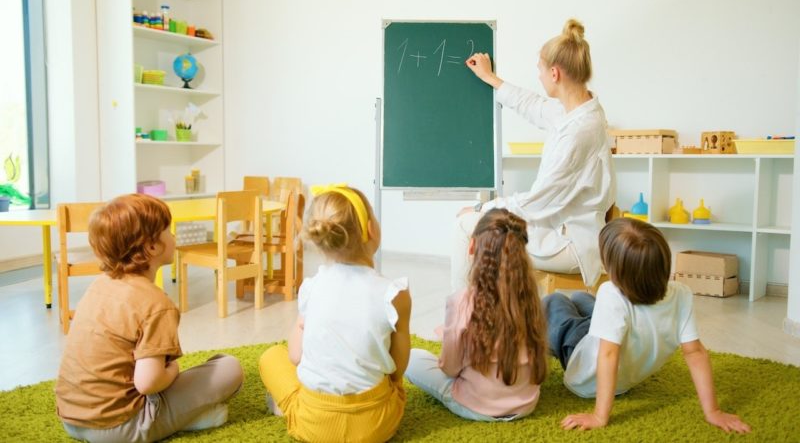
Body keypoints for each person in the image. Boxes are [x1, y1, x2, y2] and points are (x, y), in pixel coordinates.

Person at [55, 194, 244, 443]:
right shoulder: (156, 304)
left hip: (70, 419)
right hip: (119, 427)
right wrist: (173, 368)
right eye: (168, 230)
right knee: (229, 367)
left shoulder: (98, 285)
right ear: (152, 247)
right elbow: (148, 383)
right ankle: (182, 421)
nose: (173, 235)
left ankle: (176, 419)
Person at [454, 18, 615, 292]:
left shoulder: (578, 132)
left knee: (465, 224)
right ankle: (483, 316)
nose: (538, 76)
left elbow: (535, 203)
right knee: (482, 223)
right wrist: (490, 78)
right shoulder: (578, 109)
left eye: (540, 69)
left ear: (554, 74)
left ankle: (460, 321)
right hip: (562, 226)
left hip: (569, 242)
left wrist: (483, 208)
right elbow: (533, 105)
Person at [546, 218, 750, 433]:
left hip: (584, 375)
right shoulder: (681, 293)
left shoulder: (610, 292)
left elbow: (607, 355)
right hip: (625, 377)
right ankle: (583, 311)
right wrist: (713, 411)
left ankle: (558, 336)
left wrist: (599, 415)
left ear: (615, 272)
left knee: (555, 302)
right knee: (581, 298)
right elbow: (695, 353)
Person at [259, 184, 412, 442]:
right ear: (371, 229)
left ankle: (283, 406)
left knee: (272, 356)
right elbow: (397, 370)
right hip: (377, 425)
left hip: (315, 425)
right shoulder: (395, 294)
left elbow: (295, 356)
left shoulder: (311, 288)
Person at [406, 208, 548, 421]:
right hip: (526, 404)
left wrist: (450, 336)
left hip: (475, 405)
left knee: (411, 357)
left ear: (472, 246)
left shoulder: (461, 301)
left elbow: (450, 369)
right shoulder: (531, 297)